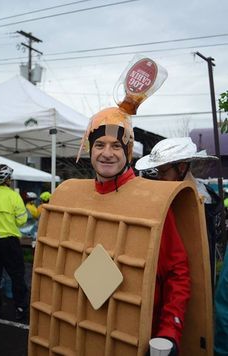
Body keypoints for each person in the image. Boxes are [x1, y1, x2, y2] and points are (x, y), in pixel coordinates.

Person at [77, 108, 190, 354]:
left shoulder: (152, 200)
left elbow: (178, 273)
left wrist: (170, 331)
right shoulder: (74, 198)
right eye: (99, 145)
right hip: (88, 332)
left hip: (138, 336)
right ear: (90, 149)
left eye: (116, 146)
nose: (107, 154)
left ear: (128, 151)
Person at [135, 137, 222, 293]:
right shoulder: (168, 189)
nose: (159, 178)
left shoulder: (202, 199)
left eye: (163, 172)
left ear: (181, 168)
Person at [0, 164, 28, 321]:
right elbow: (22, 220)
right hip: (10, 242)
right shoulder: (14, 196)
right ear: (7, 180)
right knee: (17, 275)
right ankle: (20, 307)